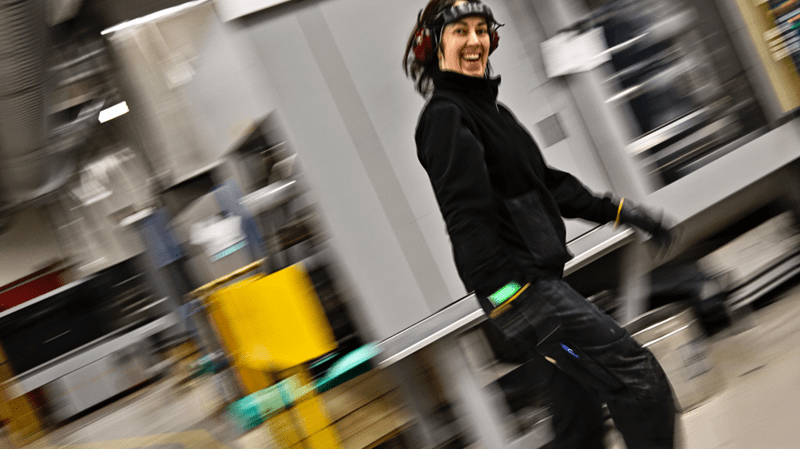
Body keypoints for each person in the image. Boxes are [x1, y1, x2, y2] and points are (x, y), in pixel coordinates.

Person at [403, 1, 677, 448]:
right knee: (639, 381)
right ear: (433, 46)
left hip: (535, 284)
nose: (475, 41)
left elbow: (548, 185)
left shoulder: (494, 114)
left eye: (481, 30)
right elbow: (466, 218)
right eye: (459, 32)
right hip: (522, 291)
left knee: (578, 420)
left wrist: (623, 211)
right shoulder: (445, 118)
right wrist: (510, 297)